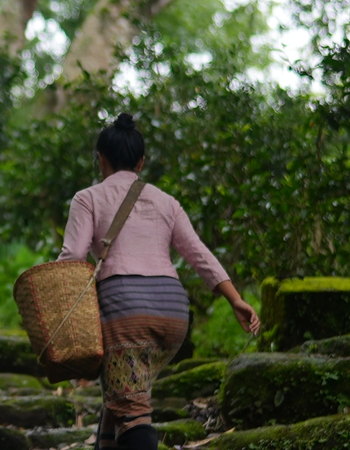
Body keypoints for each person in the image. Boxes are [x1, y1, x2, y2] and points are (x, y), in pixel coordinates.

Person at [57, 113, 260, 450]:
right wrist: (234, 299)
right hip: (173, 315)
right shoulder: (166, 202)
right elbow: (198, 253)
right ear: (141, 162)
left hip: (125, 312)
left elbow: (73, 258)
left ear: (100, 160)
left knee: (133, 410)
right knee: (122, 395)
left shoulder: (87, 198)